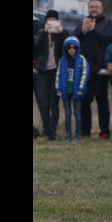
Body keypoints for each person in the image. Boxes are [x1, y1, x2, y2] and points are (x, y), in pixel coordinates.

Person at [72, 0, 112, 139]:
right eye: (91, 6)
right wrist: (83, 32)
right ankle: (85, 131)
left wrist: (93, 30)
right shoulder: (82, 23)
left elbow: (109, 39)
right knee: (85, 101)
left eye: (96, 7)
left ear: (102, 9)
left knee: (102, 101)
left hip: (101, 69)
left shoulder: (108, 23)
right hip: (84, 69)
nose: (94, 9)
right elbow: (72, 40)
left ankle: (105, 131)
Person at [34, 10, 66, 141]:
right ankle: (46, 129)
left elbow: (66, 46)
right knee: (44, 103)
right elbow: (36, 46)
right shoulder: (41, 34)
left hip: (55, 72)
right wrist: (44, 32)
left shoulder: (60, 35)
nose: (52, 23)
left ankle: (53, 131)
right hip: (43, 71)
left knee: (54, 104)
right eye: (49, 20)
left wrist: (60, 31)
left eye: (54, 20)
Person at [56, 36, 89, 143]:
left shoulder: (82, 60)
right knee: (67, 113)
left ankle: (77, 134)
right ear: (65, 48)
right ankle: (68, 134)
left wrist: (81, 88)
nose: (72, 50)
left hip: (77, 91)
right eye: (69, 47)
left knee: (77, 113)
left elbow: (85, 74)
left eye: (74, 47)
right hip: (66, 90)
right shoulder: (62, 60)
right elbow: (58, 75)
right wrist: (58, 89)